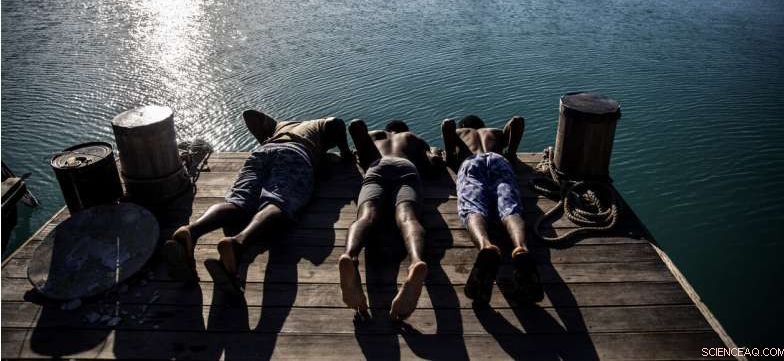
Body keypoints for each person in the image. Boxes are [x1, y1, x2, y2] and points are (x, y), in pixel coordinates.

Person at [163, 110, 350, 292]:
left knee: (237, 201)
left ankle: (191, 231)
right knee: (278, 202)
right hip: (295, 154)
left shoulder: (280, 126)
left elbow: (249, 114)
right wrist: (345, 152)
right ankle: (238, 244)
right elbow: (336, 122)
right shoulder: (318, 126)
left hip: (262, 152)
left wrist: (264, 138)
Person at [338, 119, 443, 320]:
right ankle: (415, 262)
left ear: (387, 130)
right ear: (405, 129)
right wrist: (436, 154)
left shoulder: (374, 135)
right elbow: (432, 166)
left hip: (377, 166)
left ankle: (350, 256)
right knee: (407, 216)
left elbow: (358, 156)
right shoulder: (412, 138)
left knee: (367, 215)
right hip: (406, 167)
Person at [441, 114, 543, 304]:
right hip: (498, 160)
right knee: (510, 208)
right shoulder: (494, 132)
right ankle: (521, 247)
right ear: (483, 125)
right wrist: (511, 153)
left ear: (465, 126)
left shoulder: (460, 132)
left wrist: (450, 151)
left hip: (471, 162)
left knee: (472, 208)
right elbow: (517, 120)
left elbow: (447, 124)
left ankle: (485, 245)